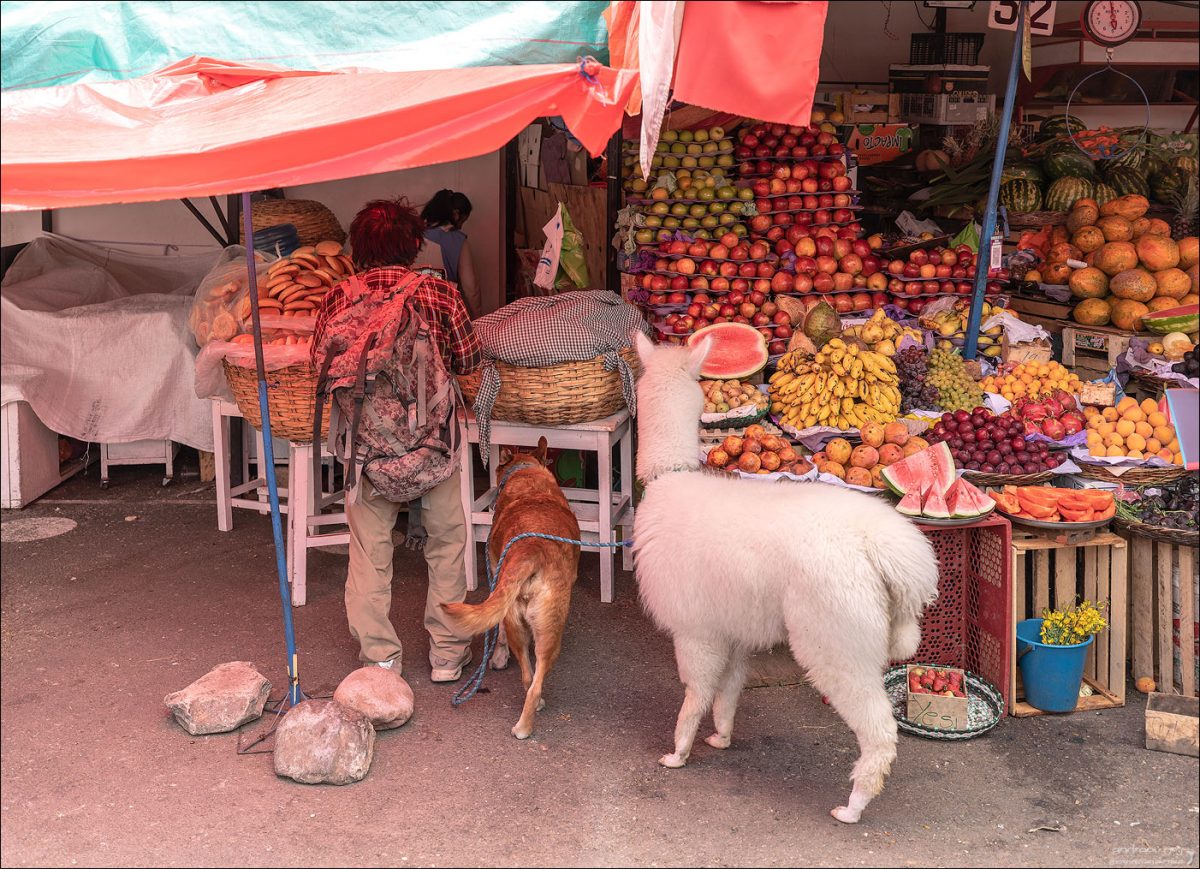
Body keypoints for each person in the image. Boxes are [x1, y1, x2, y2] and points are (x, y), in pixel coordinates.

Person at [332, 197, 481, 682]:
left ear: (357, 247)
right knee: (446, 544)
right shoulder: (439, 294)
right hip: (433, 446)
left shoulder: (338, 298)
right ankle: (447, 656)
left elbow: (320, 367)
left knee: (369, 554)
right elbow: (468, 359)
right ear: (416, 244)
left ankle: (379, 659)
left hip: (367, 451)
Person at [420, 189, 481, 319]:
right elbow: (471, 288)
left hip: (413, 309)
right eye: (463, 221)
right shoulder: (458, 240)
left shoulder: (413, 234)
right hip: (443, 309)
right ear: (456, 215)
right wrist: (478, 318)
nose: (461, 226)